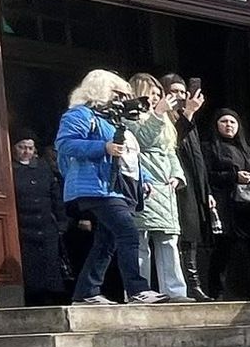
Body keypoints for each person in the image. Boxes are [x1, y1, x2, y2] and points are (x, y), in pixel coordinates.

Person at [56, 69, 160, 305]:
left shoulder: (111, 120)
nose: (123, 99)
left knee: (107, 240)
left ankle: (86, 292)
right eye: (119, 93)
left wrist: (143, 179)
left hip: (112, 187)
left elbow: (125, 155)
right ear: (101, 90)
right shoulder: (80, 114)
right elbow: (65, 144)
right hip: (94, 187)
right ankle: (137, 289)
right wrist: (103, 147)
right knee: (127, 233)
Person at [128, 74, 189, 301]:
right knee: (140, 241)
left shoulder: (163, 118)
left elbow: (170, 149)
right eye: (151, 93)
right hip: (144, 183)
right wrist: (158, 113)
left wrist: (177, 174)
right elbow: (142, 140)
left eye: (157, 94)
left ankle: (175, 292)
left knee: (169, 241)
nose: (156, 98)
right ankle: (139, 291)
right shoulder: (131, 115)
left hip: (165, 186)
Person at [204, 110, 250, 299]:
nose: (228, 125)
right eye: (224, 121)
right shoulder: (210, 147)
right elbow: (207, 176)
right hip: (226, 205)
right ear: (216, 125)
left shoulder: (247, 149)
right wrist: (234, 176)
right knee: (223, 251)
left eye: (233, 122)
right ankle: (216, 294)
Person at [162, 76, 213, 300]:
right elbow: (173, 142)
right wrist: (189, 114)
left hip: (193, 185)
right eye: (174, 91)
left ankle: (195, 284)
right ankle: (189, 285)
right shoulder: (163, 117)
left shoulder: (187, 119)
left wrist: (207, 191)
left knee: (193, 235)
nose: (181, 96)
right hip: (174, 184)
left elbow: (198, 159)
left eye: (183, 92)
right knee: (181, 236)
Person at [10, 128, 67, 305]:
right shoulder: (8, 169)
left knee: (50, 264)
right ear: (14, 148)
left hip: (46, 224)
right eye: (21, 147)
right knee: (30, 267)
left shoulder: (43, 168)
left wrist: (61, 221)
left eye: (30, 147)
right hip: (23, 226)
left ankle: (53, 297)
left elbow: (55, 195)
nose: (26, 152)